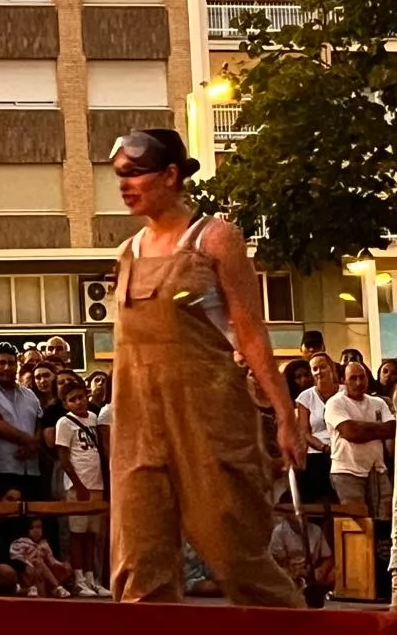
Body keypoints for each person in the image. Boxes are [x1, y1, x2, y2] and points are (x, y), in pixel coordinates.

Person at [106, 128, 301, 606]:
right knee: (139, 569)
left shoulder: (214, 238)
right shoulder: (126, 252)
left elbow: (251, 334)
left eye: (135, 173)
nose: (124, 185)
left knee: (236, 555)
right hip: (137, 428)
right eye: (119, 176)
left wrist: (286, 416)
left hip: (209, 420)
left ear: (171, 174)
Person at [54, 382, 108, 597]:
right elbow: (64, 458)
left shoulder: (94, 419)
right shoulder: (64, 423)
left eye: (80, 397)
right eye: (72, 399)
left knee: (92, 534)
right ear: (66, 403)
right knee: (77, 534)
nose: (78, 402)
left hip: (97, 483)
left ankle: (91, 577)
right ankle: (78, 578)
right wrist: (78, 484)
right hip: (79, 485)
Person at [0, 347, 44, 500]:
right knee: (7, 521)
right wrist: (29, 441)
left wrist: (35, 444)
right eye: (1, 362)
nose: (7, 367)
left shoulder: (29, 394)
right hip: (1, 470)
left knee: (34, 521)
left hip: (31, 470)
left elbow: (39, 423)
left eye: (11, 363)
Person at [325, 361, 394, 518]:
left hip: (377, 470)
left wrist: (361, 428)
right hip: (347, 472)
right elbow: (351, 432)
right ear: (343, 380)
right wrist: (377, 429)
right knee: (357, 524)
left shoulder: (379, 402)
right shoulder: (335, 403)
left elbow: (391, 429)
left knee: (385, 519)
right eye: (353, 378)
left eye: (362, 377)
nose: (358, 383)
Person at [294, 355, 338, 504]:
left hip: (343, 451)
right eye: (314, 369)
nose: (319, 372)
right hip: (317, 453)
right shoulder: (305, 397)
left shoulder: (345, 392)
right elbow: (304, 432)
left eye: (323, 367)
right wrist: (324, 448)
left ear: (331, 368)